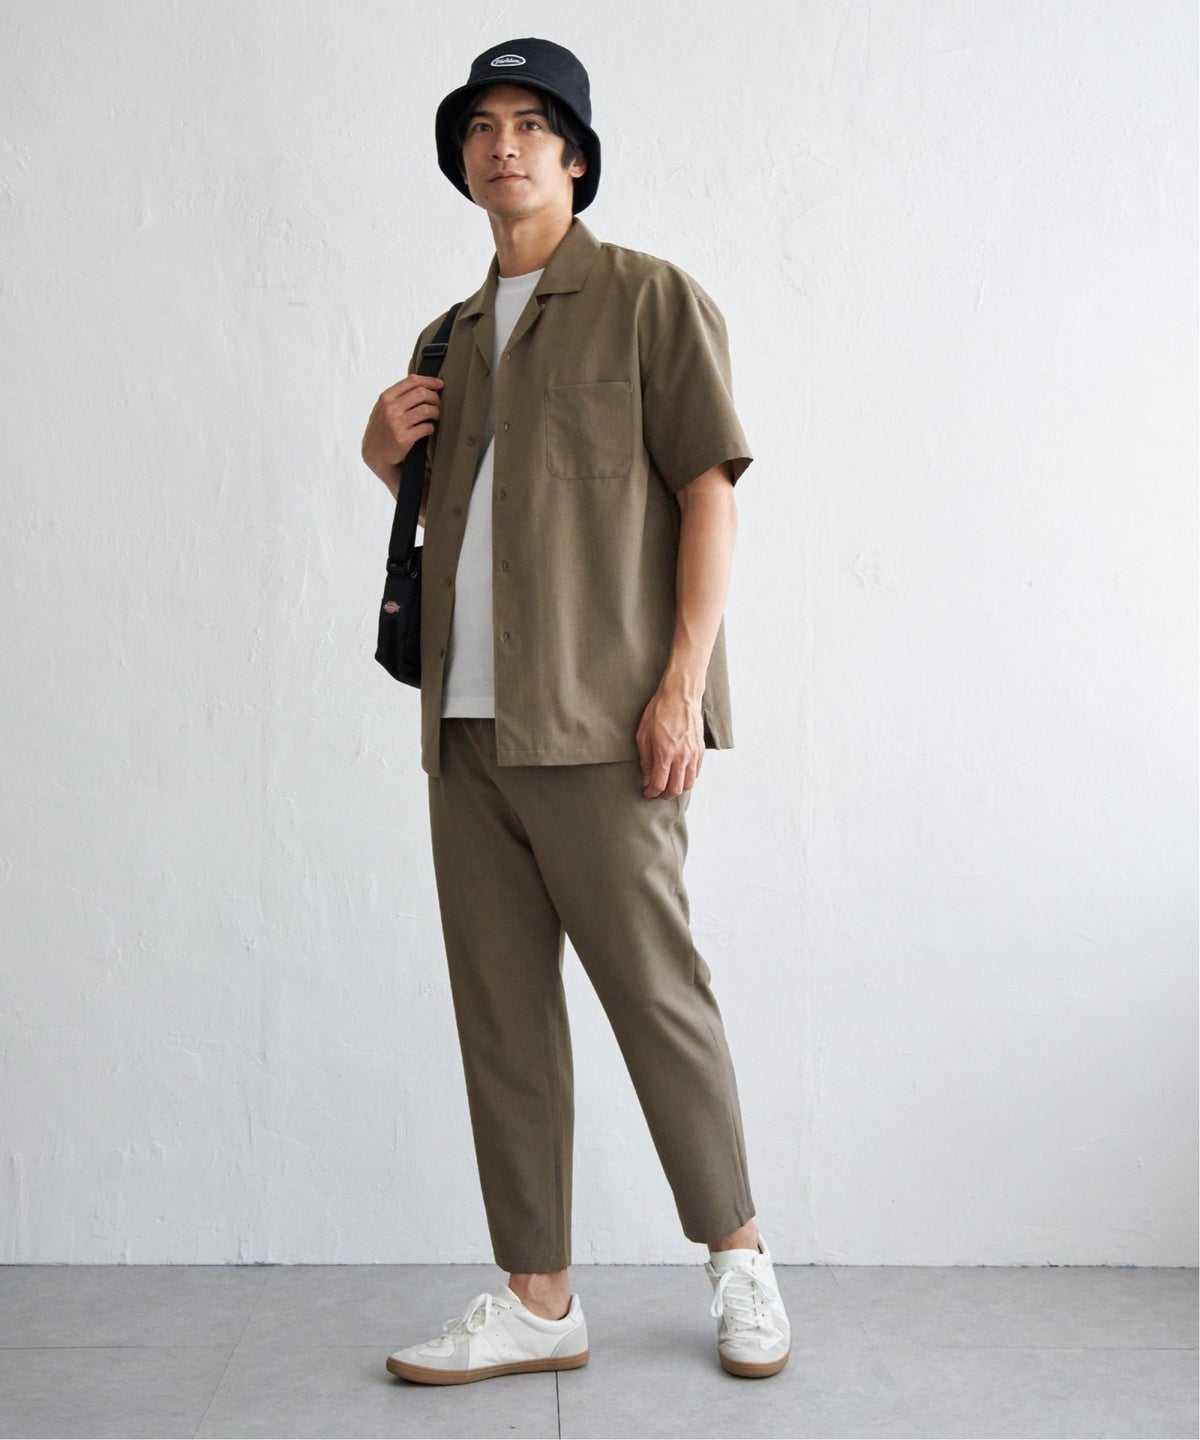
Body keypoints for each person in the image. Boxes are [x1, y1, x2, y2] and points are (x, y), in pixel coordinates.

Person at [361, 37, 790, 1385]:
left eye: (532, 125)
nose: (504, 145)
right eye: (482, 126)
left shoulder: (652, 301)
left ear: (577, 158)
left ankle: (741, 1261)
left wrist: (681, 685)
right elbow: (473, 528)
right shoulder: (447, 338)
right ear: (464, 162)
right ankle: (539, 1299)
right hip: (467, 733)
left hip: (605, 728)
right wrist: (385, 459)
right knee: (503, 1020)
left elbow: (710, 493)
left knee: (657, 996)